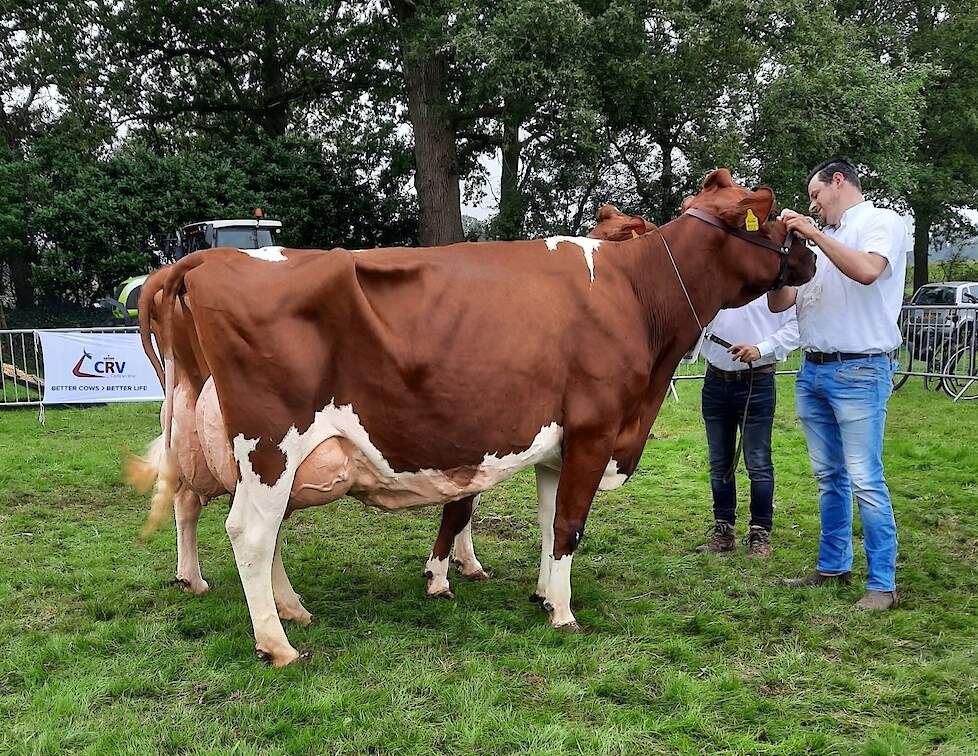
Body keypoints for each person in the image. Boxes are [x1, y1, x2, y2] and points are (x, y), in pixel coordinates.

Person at [769, 156, 908, 611]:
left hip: (860, 369)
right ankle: (833, 566)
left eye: (815, 194)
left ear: (839, 182)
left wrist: (813, 234)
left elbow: (867, 271)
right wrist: (783, 255)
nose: (813, 204)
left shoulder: (880, 222)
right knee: (830, 477)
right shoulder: (819, 241)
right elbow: (779, 304)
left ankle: (882, 584)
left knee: (865, 478)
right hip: (813, 369)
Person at [695, 297, 800, 559]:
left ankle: (760, 532)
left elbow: (797, 326)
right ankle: (723, 530)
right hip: (715, 380)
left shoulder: (775, 286)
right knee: (720, 463)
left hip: (758, 381)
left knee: (758, 462)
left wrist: (761, 348)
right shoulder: (716, 283)